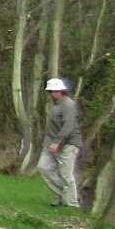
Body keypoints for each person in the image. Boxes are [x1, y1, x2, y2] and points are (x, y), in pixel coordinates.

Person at [40, 78, 82, 209]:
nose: (50, 94)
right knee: (43, 167)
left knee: (66, 174)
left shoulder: (68, 104)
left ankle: (71, 203)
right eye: (50, 91)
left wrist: (57, 142)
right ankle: (64, 195)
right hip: (51, 143)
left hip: (68, 144)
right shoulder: (54, 104)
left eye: (52, 91)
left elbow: (68, 125)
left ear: (60, 91)